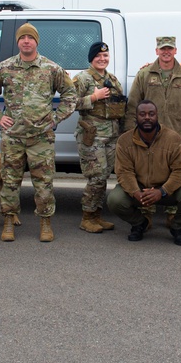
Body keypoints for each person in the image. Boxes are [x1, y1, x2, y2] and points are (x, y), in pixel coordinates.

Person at [0, 23, 77, 242]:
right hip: (13, 137)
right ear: (18, 42)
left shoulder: (51, 69)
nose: (26, 41)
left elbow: (70, 95)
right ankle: (8, 221)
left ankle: (45, 223)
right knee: (10, 182)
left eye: (30, 38)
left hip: (41, 138)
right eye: (22, 38)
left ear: (36, 41)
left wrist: (56, 118)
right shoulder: (5, 68)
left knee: (44, 183)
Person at [125, 36, 181, 229]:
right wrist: (128, 133)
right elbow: (133, 104)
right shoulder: (145, 74)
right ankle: (146, 213)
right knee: (147, 172)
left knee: (174, 172)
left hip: (175, 134)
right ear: (156, 51)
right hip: (147, 135)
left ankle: (172, 214)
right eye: (162, 49)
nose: (166, 52)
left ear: (175, 51)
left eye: (170, 49)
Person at [108, 100, 181, 246]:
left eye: (151, 114)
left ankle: (178, 227)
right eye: (142, 114)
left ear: (157, 116)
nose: (147, 117)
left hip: (167, 189)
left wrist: (162, 191)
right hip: (140, 190)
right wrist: (135, 192)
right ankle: (139, 223)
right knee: (114, 200)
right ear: (136, 117)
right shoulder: (124, 141)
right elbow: (124, 172)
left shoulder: (173, 139)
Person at [73, 41, 126, 233]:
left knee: (104, 177)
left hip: (111, 135)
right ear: (91, 59)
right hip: (92, 136)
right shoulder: (83, 79)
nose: (102, 59)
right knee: (95, 177)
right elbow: (69, 103)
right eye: (98, 56)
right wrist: (93, 98)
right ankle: (87, 217)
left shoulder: (112, 79)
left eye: (105, 56)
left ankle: (97, 215)